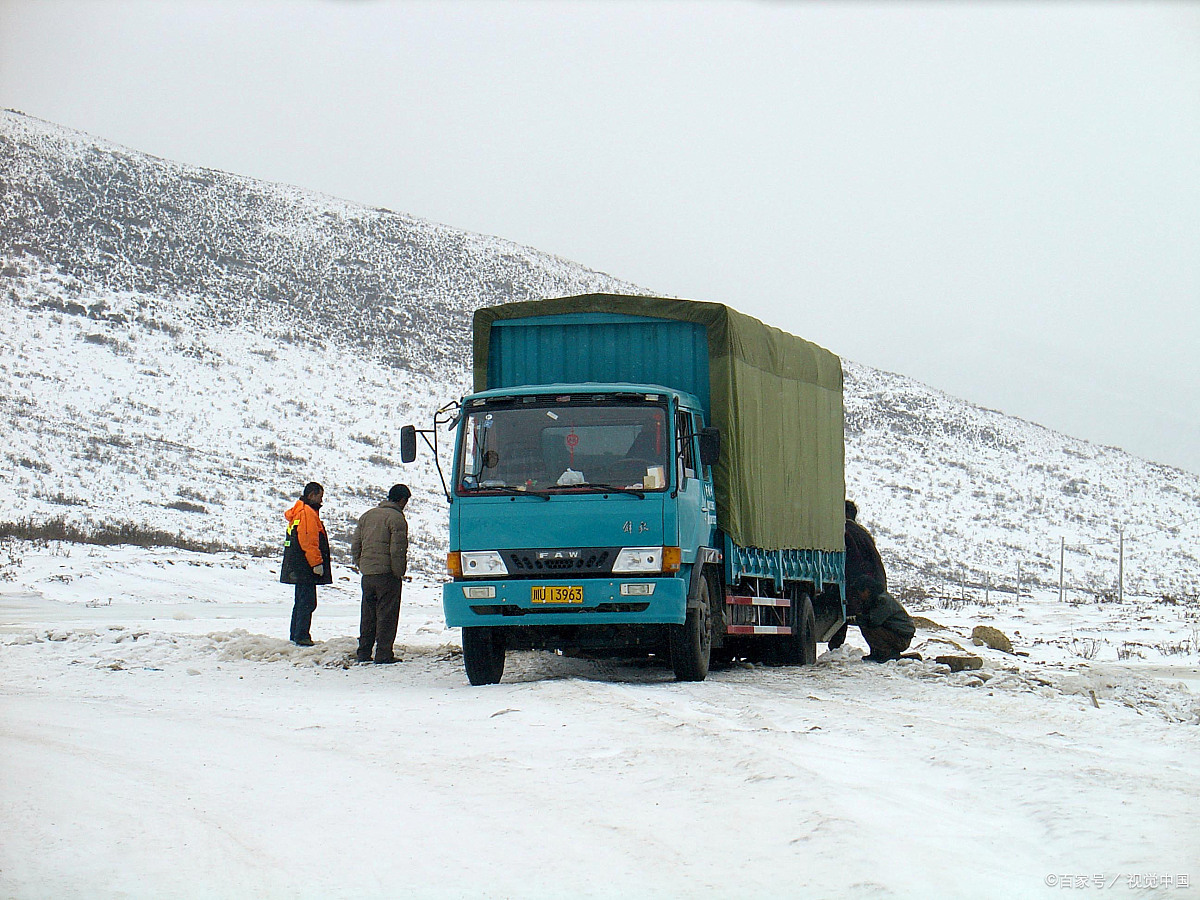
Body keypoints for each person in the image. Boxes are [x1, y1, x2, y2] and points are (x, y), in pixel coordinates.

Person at [351, 483, 410, 664]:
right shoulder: (396, 519)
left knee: (368, 615)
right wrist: (398, 572)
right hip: (387, 575)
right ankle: (383, 653)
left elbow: (356, 546)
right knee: (387, 615)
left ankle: (364, 652)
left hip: (368, 575)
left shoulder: (367, 516)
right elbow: (397, 550)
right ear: (402, 500)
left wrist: (363, 565)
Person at [828, 499, 888, 650]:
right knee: (867, 617)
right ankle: (880, 649)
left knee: (852, 615)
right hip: (875, 582)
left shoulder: (846, 532)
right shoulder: (862, 532)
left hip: (864, 584)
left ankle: (836, 649)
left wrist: (853, 586)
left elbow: (853, 561)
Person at [280, 481, 332, 646]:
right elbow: (309, 541)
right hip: (306, 567)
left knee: (301, 601)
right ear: (311, 495)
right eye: (319, 497)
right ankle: (301, 635)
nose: (321, 501)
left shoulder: (298, 511)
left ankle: (296, 634)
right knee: (308, 602)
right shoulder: (307, 513)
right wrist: (316, 563)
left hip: (298, 565)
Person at [848, 575, 915, 662]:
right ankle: (878, 653)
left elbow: (873, 621)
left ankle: (888, 654)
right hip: (899, 634)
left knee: (868, 627)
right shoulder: (877, 598)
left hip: (902, 638)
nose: (860, 596)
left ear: (867, 590)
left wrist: (856, 618)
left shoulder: (882, 600)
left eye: (860, 592)